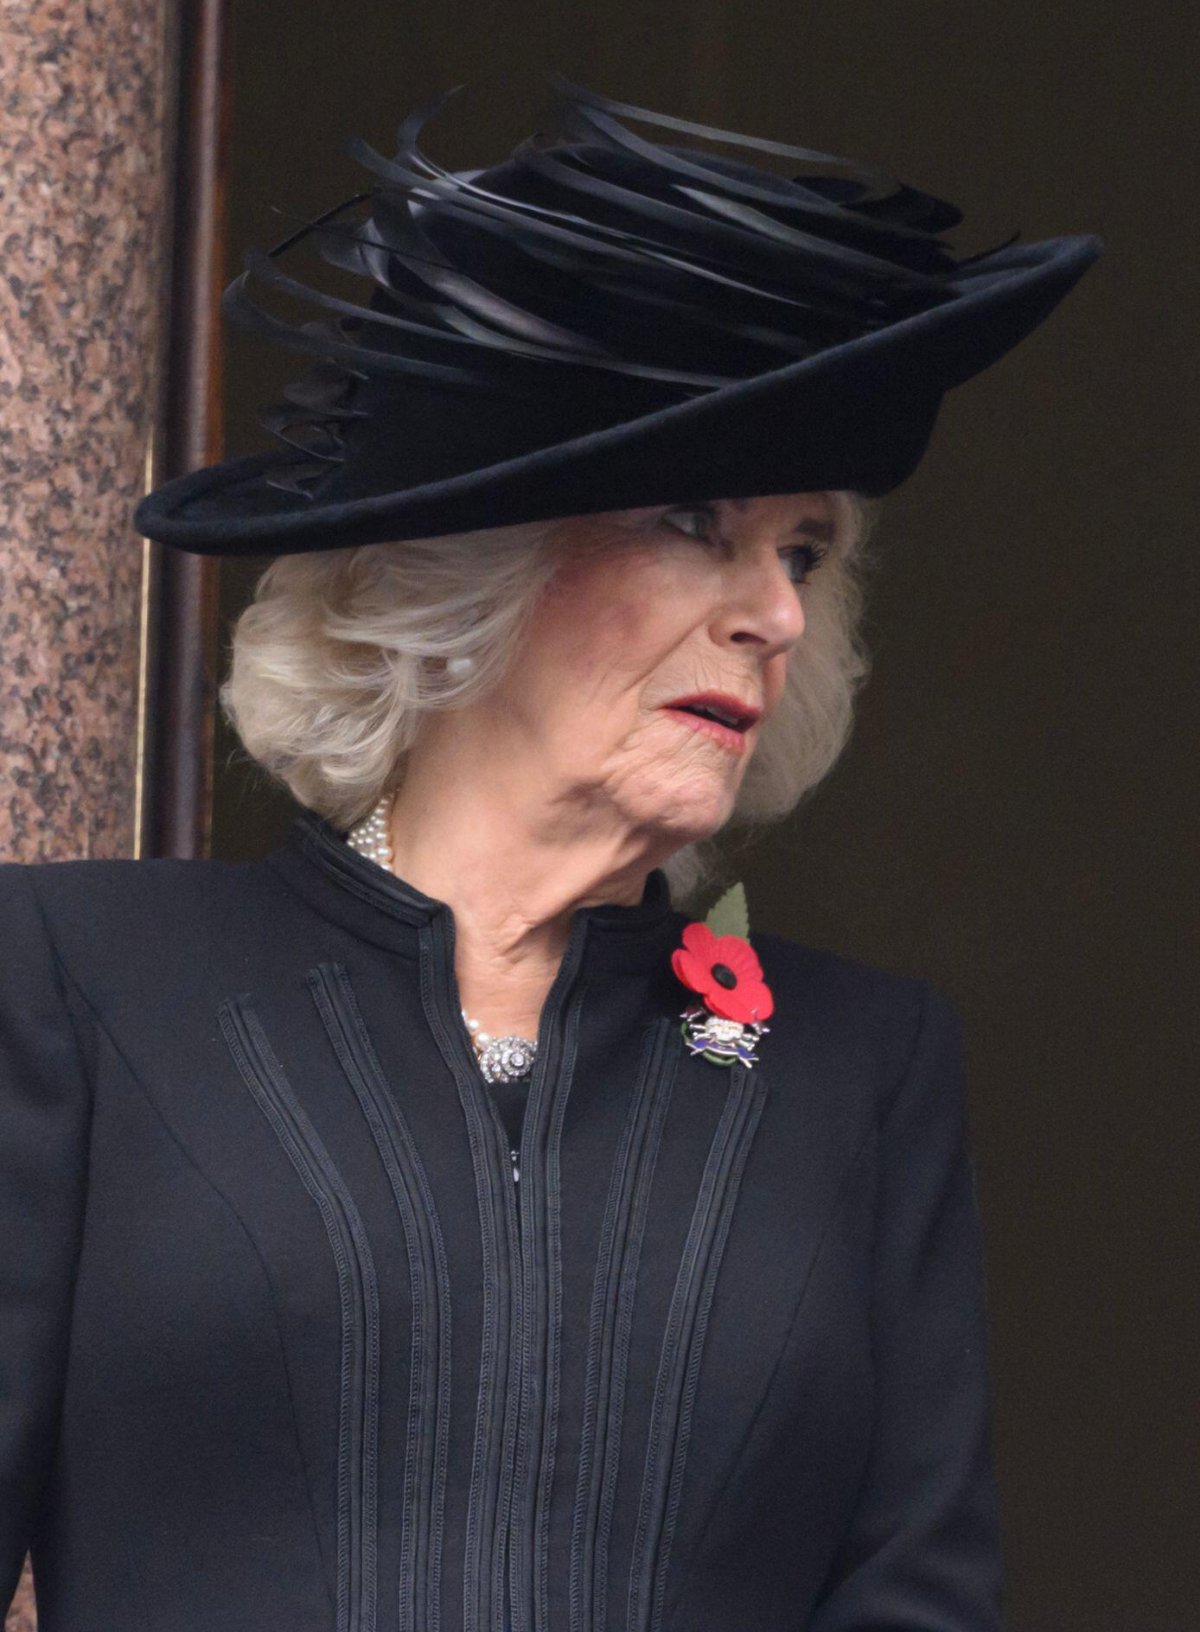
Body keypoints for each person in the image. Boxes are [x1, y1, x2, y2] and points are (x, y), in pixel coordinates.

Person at [1, 76, 1100, 1632]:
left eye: (803, 553)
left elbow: (917, 1598)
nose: (774, 612)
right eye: (696, 522)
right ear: (470, 568)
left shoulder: (862, 1066)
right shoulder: (77, 985)